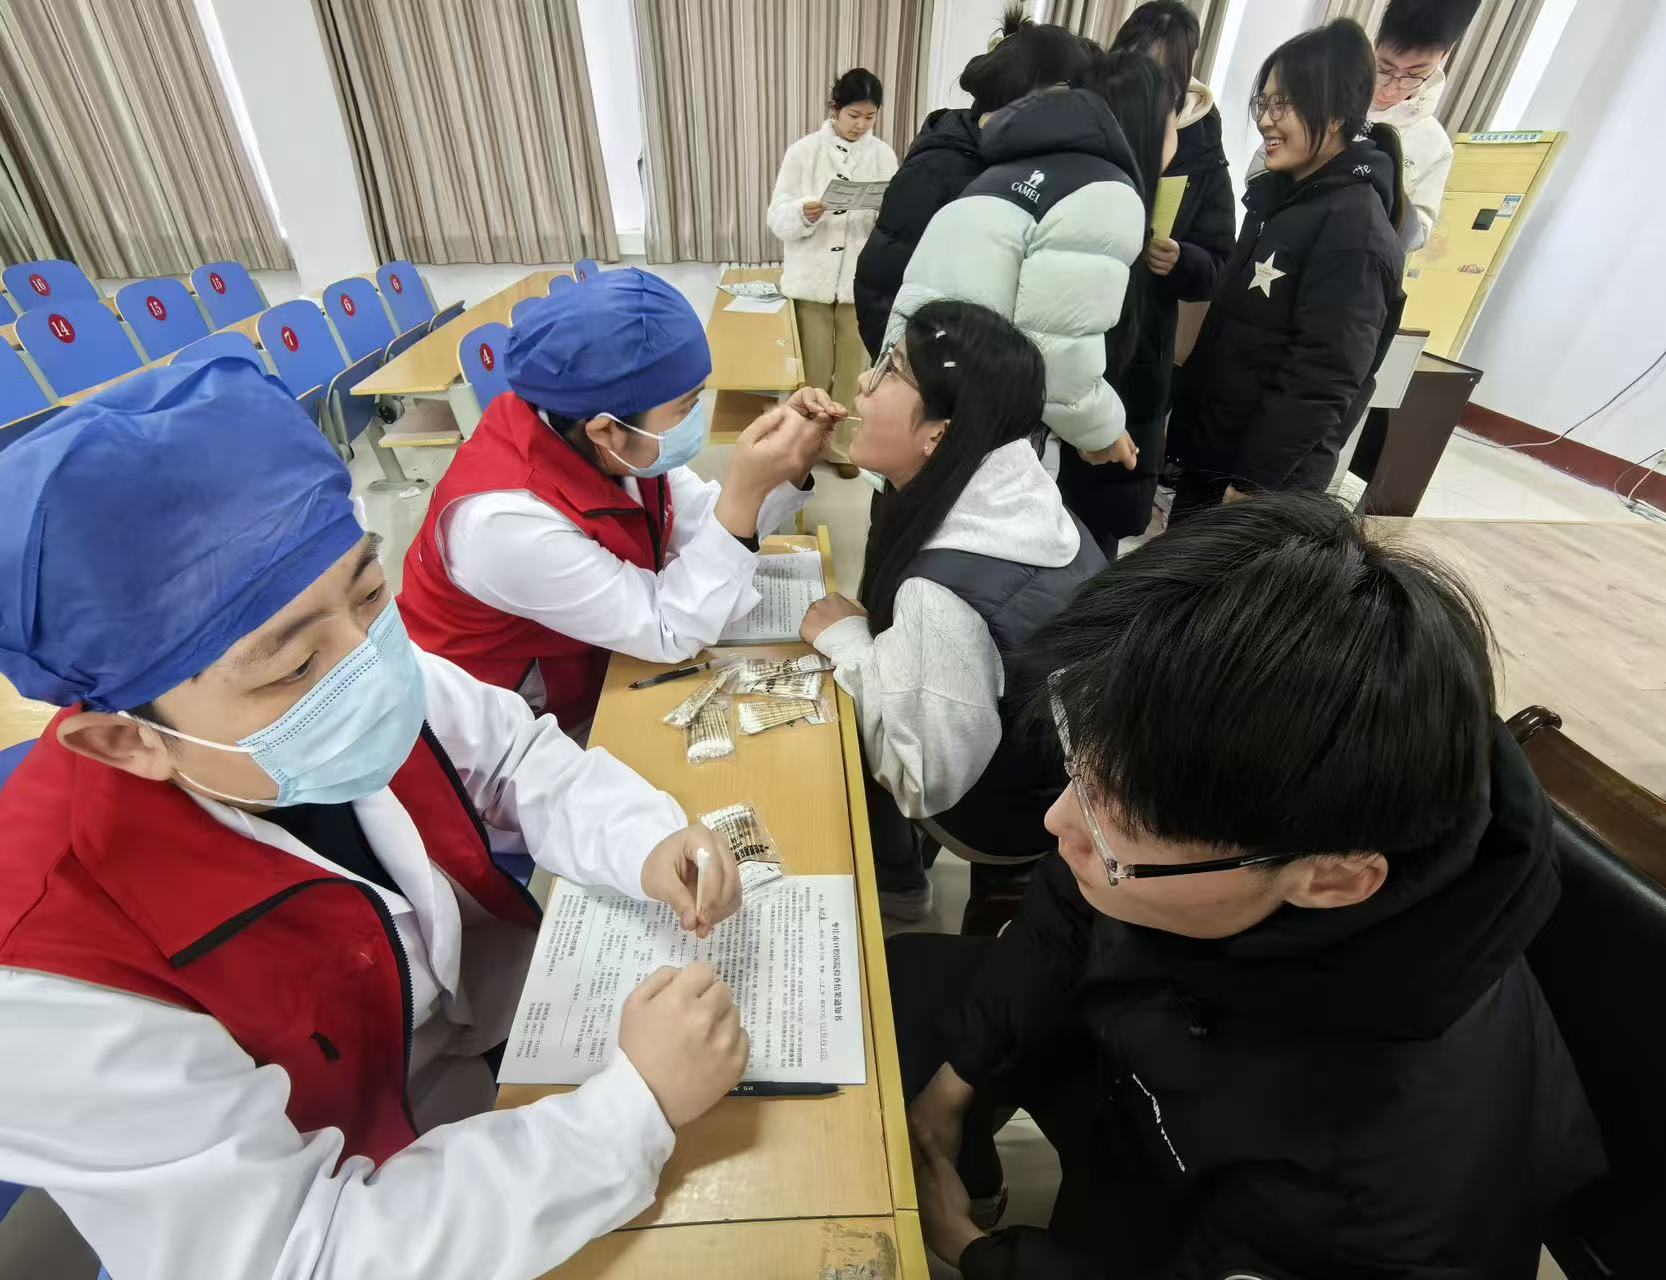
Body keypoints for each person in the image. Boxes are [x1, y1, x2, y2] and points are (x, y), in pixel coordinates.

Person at [0, 358, 755, 1280]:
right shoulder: (48, 977)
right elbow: (302, 1254)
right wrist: (631, 1111)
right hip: (385, 1198)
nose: (366, 665)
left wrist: (644, 838)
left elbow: (515, 756)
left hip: (496, 1072)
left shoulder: (346, 666)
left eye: (367, 592)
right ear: (128, 742)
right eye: (292, 666)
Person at [893, 492, 1605, 1277]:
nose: (1059, 822)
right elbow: (1067, 906)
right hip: (1153, 1056)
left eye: (1113, 826)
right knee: (901, 995)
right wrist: (955, 1085)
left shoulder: (1373, 1180)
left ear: (1329, 880)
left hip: (1227, 1193)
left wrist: (968, 1248)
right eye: (1079, 778)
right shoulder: (1254, 798)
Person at [398, 269, 834, 738]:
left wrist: (786, 468)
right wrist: (745, 490)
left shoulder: (610, 441)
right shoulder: (503, 522)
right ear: (605, 429)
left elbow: (705, 524)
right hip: (501, 729)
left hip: (594, 662)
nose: (696, 419)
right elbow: (668, 631)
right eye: (686, 406)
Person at [799, 301, 1102, 928]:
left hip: (1008, 809)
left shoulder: (940, 596)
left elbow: (922, 780)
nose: (862, 382)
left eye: (890, 370)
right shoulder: (1019, 484)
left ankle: (896, 888)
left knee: (823, 718)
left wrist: (849, 643)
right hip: (1056, 770)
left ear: (939, 432)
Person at [885, 50, 1176, 474]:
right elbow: (1056, 357)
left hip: (915, 408)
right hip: (985, 437)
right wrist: (1103, 430)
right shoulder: (1104, 194)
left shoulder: (1002, 171)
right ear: (1151, 125)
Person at [1167, 20, 1407, 523]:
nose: (1265, 120)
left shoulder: (1354, 228)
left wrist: (1254, 485)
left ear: (1337, 112)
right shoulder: (1280, 199)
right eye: (1265, 103)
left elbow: (1323, 377)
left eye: (1283, 105)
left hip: (1261, 481)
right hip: (1218, 453)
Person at [1058, 1, 1236, 555]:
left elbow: (1219, 261)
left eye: (1161, 72)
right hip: (1072, 324)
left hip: (1138, 343)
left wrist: (1181, 260)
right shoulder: (1082, 115)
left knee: (1102, 511)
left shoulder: (1199, 144)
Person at [853, 8, 1093, 357]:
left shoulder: (1033, 164)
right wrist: (917, 369)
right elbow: (882, 285)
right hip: (935, 366)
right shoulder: (943, 164)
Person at [1250, 0, 1480, 250]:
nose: (1392, 87)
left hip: (1350, 256)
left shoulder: (1433, 143)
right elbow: (1260, 170)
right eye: (1385, 68)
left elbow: (1414, 237)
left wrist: (1377, 190)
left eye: (1413, 75)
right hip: (1278, 241)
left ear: (1444, 56)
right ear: (1377, 41)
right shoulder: (1327, 91)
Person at [766, 67, 898, 472]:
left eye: (870, 117)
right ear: (835, 109)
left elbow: (894, 219)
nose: (861, 125)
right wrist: (804, 212)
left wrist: (883, 211)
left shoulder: (883, 155)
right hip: (812, 283)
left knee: (855, 372)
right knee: (814, 371)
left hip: (860, 281)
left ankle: (843, 448)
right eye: (853, 115)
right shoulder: (803, 151)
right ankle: (805, 445)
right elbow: (777, 217)